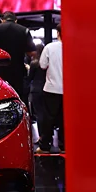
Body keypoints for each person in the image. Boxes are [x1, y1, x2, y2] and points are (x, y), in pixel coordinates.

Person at [0, 11, 37, 97]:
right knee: (17, 96)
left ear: (2, 20)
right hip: (17, 72)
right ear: (16, 20)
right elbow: (32, 52)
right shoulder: (24, 30)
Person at [38, 23, 64, 153]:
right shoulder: (73, 47)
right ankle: (64, 145)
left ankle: (45, 146)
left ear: (58, 33)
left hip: (51, 88)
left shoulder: (49, 47)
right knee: (64, 119)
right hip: (68, 91)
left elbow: (42, 65)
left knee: (48, 119)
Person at [26, 44, 47, 131]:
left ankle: (41, 134)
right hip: (46, 88)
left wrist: (28, 69)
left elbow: (30, 78)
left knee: (38, 113)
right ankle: (48, 133)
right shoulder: (47, 63)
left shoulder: (34, 63)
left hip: (35, 90)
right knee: (46, 112)